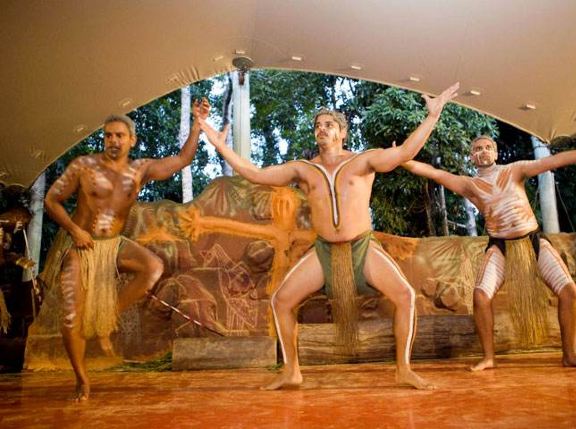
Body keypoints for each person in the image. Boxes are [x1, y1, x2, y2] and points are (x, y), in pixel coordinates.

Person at [199, 82, 459, 390]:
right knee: (281, 300)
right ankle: (291, 371)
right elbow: (255, 174)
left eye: (328, 125)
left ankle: (404, 369)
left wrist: (432, 116)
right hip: (323, 252)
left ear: (342, 132)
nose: (321, 129)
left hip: (361, 247)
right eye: (317, 125)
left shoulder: (364, 161)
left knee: (406, 296)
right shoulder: (303, 169)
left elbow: (405, 152)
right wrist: (219, 144)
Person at [42, 99, 220, 401]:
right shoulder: (84, 166)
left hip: (114, 245)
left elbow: (182, 159)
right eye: (108, 135)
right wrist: (74, 229)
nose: (113, 140)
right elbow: (51, 200)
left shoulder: (140, 170)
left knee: (153, 267)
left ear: (132, 140)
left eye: (119, 135)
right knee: (71, 318)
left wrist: (197, 126)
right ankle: (82, 381)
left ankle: (107, 319)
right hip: (81, 246)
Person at [403, 130, 576, 371]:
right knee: (480, 296)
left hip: (532, 242)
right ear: (472, 157)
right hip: (500, 246)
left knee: (569, 291)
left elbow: (553, 161)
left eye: (488, 147)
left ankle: (570, 354)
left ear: (496, 153)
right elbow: (434, 173)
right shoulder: (469, 185)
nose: (483, 151)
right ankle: (489, 357)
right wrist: (402, 158)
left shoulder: (514, 171)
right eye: (477, 149)